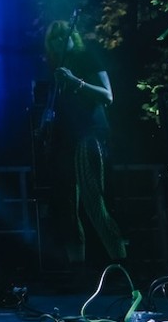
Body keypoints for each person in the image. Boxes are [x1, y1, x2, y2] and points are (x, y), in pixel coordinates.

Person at [42, 19, 127, 277]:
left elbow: (107, 95)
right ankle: (77, 268)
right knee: (67, 203)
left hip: (89, 136)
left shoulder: (86, 58)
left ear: (73, 36)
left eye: (62, 35)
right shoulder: (58, 68)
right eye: (53, 38)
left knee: (94, 201)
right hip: (66, 140)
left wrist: (76, 81)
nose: (59, 40)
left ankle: (120, 265)